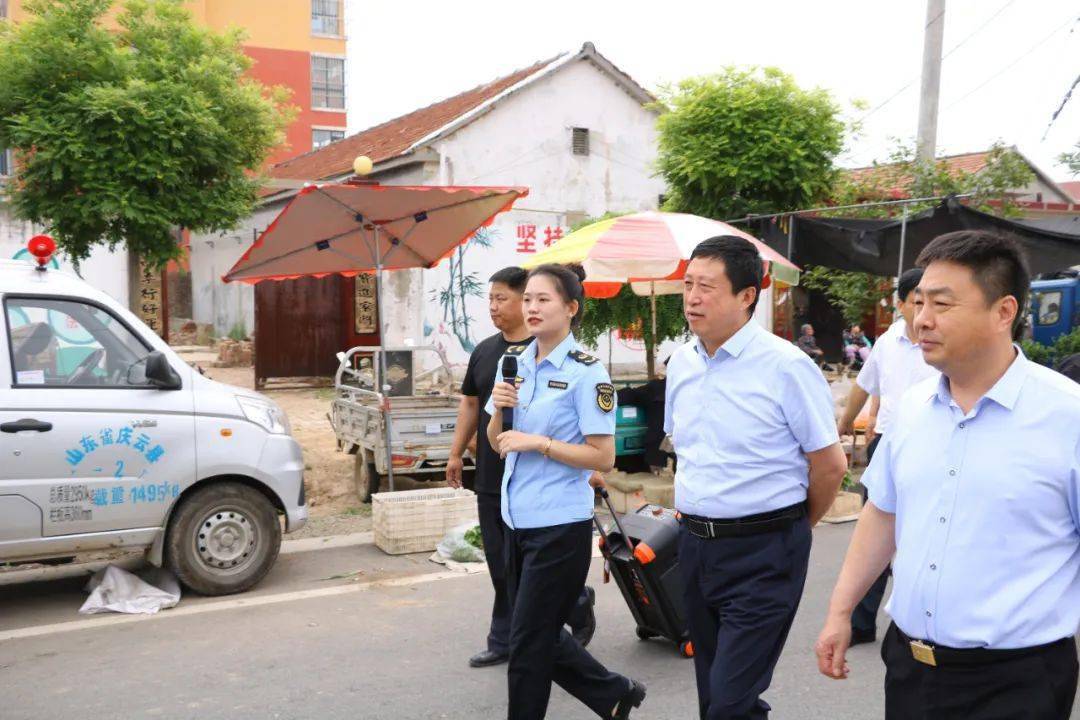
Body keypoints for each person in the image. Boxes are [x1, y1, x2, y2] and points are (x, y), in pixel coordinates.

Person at [816, 230, 1080, 719]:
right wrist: (840, 612)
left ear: (1004, 312)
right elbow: (882, 514)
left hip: (1019, 683)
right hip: (912, 669)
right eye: (918, 303)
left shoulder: (1067, 417)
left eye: (942, 304)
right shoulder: (913, 408)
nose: (922, 321)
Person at [665, 235, 848, 719]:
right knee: (715, 692)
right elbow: (685, 450)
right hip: (696, 546)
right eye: (688, 285)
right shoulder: (682, 362)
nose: (693, 298)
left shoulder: (786, 366)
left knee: (729, 699)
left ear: (748, 295)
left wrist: (791, 529)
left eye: (707, 287)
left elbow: (830, 465)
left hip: (766, 550)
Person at [486, 263, 646, 720]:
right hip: (516, 519)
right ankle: (614, 693)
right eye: (528, 299)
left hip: (559, 525)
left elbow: (603, 458)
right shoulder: (511, 362)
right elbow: (499, 442)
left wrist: (541, 443)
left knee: (527, 645)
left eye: (544, 300)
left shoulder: (587, 373)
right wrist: (500, 410)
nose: (531, 308)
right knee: (534, 631)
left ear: (571, 308)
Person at [446, 267, 596, 670]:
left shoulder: (566, 363)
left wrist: (545, 447)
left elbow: (595, 448)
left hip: (548, 497)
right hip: (497, 479)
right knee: (502, 566)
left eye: (506, 298)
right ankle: (508, 636)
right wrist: (457, 452)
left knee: (534, 599)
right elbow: (474, 408)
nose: (496, 306)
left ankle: (567, 612)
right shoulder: (497, 356)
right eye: (491, 299)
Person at [836, 268, 938, 647]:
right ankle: (861, 623)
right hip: (888, 446)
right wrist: (844, 425)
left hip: (933, 448)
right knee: (876, 530)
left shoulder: (943, 344)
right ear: (902, 304)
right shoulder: (886, 342)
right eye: (918, 301)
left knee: (922, 535)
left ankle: (924, 619)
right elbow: (865, 386)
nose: (926, 311)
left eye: (934, 301)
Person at [615, 357, 671, 474]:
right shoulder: (697, 391)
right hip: (670, 455)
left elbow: (630, 394)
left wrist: (606, 398)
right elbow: (631, 394)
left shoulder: (657, 388)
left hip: (659, 453)